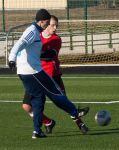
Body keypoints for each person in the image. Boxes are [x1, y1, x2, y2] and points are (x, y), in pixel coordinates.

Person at [8, 9, 89, 139]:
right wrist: (11, 58)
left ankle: (37, 131)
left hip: (26, 71)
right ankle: (75, 111)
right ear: (43, 21)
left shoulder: (38, 32)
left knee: (38, 100)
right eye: (48, 23)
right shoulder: (32, 31)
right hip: (33, 71)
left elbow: (31, 50)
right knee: (55, 92)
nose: (49, 26)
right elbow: (19, 44)